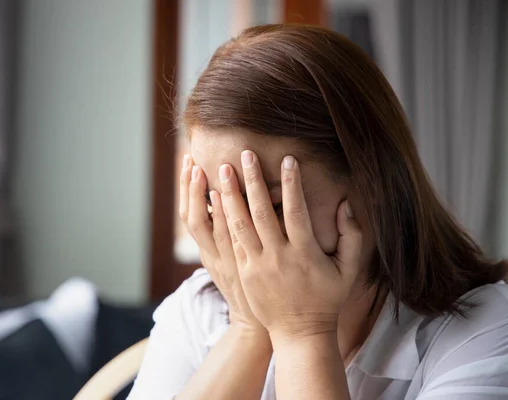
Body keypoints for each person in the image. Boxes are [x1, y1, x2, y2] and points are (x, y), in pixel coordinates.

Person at [128, 24, 508, 399]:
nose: (240, 241)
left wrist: (303, 331)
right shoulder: (198, 313)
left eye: (269, 205)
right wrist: (249, 328)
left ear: (372, 180)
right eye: (216, 207)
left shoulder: (486, 332)